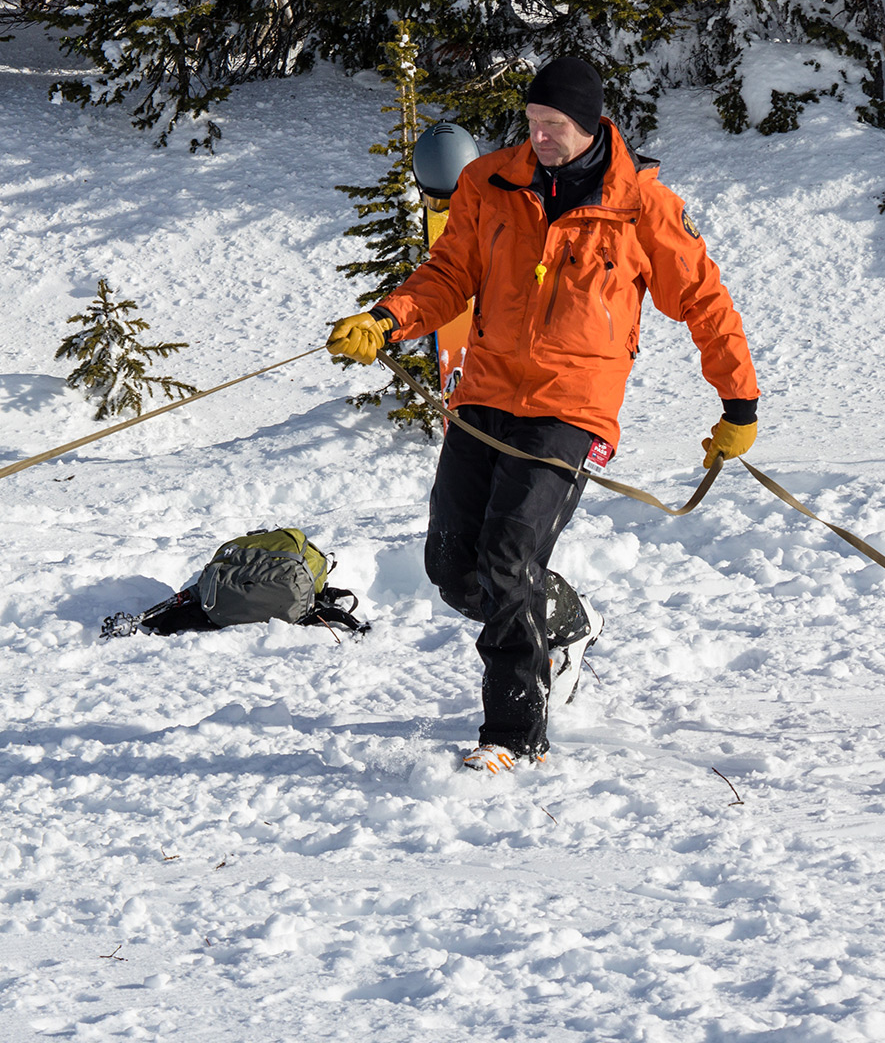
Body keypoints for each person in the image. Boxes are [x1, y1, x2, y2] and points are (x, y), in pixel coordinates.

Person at [326, 56, 761, 773]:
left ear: (589, 126)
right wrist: (387, 317)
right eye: (531, 124)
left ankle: (513, 737)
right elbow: (448, 273)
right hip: (486, 393)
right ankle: (560, 626)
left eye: (553, 127)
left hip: (571, 408)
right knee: (451, 566)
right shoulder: (489, 181)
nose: (539, 139)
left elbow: (705, 303)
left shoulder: (643, 205)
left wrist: (738, 402)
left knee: (506, 559)